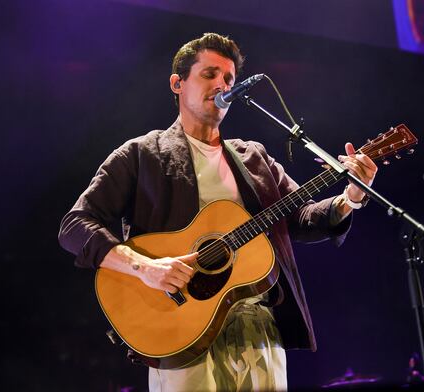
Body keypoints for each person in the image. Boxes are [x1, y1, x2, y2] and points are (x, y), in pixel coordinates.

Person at [58, 32, 377, 391]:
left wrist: (351, 195)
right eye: (209, 75)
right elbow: (75, 226)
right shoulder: (143, 154)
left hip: (258, 326)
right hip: (180, 329)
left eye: (229, 79)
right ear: (177, 83)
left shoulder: (253, 157)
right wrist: (146, 267)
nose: (222, 85)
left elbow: (301, 219)